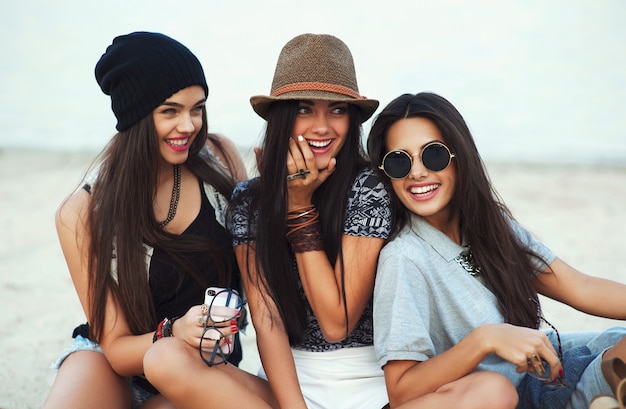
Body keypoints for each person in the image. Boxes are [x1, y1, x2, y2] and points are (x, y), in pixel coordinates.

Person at [43, 31, 270, 408]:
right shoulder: (81, 212)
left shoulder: (220, 159)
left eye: (197, 108)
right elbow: (114, 348)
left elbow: (263, 271)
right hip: (115, 366)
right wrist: (174, 331)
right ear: (135, 116)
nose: (189, 125)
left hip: (197, 369)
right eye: (170, 111)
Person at [367, 92, 626, 409]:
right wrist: (485, 339)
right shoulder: (405, 257)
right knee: (498, 389)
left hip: (551, 371)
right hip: (504, 398)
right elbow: (401, 390)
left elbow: (581, 287)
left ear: (458, 156)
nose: (417, 172)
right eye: (399, 161)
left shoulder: (490, 226)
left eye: (433, 155)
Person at [219, 33, 392, 409]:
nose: (321, 127)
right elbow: (266, 320)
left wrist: (300, 210)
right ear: (281, 118)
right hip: (287, 383)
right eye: (303, 109)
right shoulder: (250, 199)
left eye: (337, 110)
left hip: (369, 380)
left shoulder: (369, 188)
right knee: (169, 364)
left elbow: (336, 323)